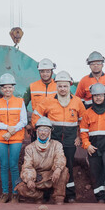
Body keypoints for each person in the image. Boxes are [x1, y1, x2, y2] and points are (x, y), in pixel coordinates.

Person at [31, 71, 85, 202]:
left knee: (68, 166)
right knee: (49, 166)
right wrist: (40, 131)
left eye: (65, 86)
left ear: (70, 86)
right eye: (60, 86)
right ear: (56, 86)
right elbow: (36, 115)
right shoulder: (48, 101)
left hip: (70, 140)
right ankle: (48, 194)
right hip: (52, 140)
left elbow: (83, 121)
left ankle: (70, 195)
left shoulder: (77, 102)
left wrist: (80, 136)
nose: (62, 89)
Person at [0, 72, 27, 203]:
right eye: (5, 87)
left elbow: (23, 121)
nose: (7, 89)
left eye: (10, 87)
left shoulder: (19, 102)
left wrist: (12, 131)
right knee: (4, 165)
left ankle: (16, 193)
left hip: (16, 138)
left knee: (13, 165)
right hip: (1, 138)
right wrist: (7, 127)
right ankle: (5, 193)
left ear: (13, 88)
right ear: (1, 88)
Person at [15, 117, 68, 204]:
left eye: (46, 130)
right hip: (37, 177)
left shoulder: (57, 145)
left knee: (64, 170)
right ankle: (39, 196)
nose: (43, 132)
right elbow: (27, 166)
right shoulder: (30, 148)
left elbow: (60, 158)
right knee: (21, 188)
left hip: (52, 175)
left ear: (50, 132)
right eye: (41, 130)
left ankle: (58, 196)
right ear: (37, 131)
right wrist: (29, 179)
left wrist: (58, 169)